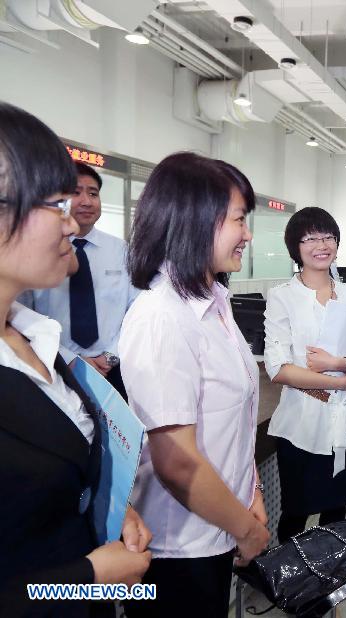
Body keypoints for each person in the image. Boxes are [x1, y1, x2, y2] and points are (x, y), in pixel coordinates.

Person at [0, 102, 151, 617]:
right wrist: (87, 580)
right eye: (58, 204)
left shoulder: (32, 337)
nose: (73, 224)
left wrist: (111, 509)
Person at [119, 152, 270, 618]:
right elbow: (177, 463)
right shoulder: (163, 317)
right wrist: (246, 529)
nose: (247, 234)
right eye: (239, 220)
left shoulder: (214, 303)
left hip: (220, 524)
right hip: (179, 548)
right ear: (195, 219)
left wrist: (253, 495)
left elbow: (234, 420)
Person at [264, 207, 346, 542]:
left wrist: (338, 362)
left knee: (337, 510)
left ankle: (329, 579)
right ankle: (292, 587)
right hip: (303, 422)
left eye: (328, 236)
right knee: (296, 513)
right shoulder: (283, 296)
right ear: (295, 247)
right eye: (310, 238)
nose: (321, 244)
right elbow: (279, 368)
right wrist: (342, 381)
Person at [31, 162, 138, 400]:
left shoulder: (122, 250)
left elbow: (136, 310)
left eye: (93, 193)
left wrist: (110, 357)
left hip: (115, 367)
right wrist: (70, 360)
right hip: (54, 365)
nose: (87, 201)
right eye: (76, 192)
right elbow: (26, 317)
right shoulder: (38, 251)